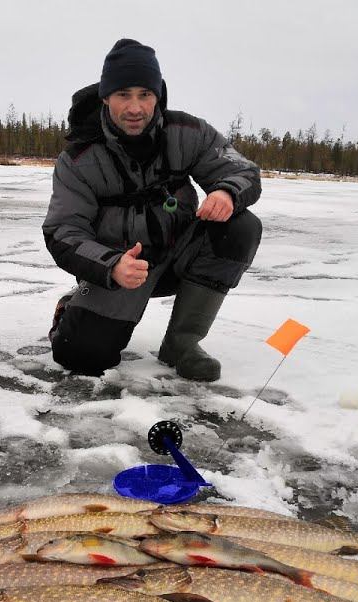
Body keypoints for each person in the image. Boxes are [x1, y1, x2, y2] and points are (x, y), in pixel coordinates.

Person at [42, 38, 262, 382]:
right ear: (105, 97)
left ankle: (181, 343)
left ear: (158, 96)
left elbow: (242, 170)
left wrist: (225, 192)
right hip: (121, 268)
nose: (135, 108)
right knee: (82, 356)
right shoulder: (79, 159)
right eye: (123, 95)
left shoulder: (187, 132)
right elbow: (62, 232)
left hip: (180, 255)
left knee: (240, 226)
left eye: (145, 95)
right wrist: (112, 265)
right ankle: (71, 307)